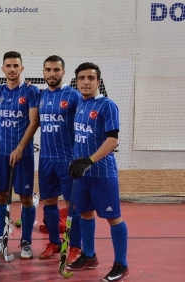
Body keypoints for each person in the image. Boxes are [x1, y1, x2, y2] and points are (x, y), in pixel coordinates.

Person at [66, 63, 129, 281]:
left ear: (98, 82)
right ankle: (89, 255)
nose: (86, 82)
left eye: (90, 78)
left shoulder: (107, 105)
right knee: (85, 214)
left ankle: (121, 264)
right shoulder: (80, 104)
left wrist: (89, 160)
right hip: (82, 175)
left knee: (114, 218)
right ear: (76, 82)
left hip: (103, 174)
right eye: (81, 78)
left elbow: (112, 140)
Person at [0, 51, 40, 259]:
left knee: (25, 197)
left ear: (22, 68)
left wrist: (20, 148)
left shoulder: (31, 91)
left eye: (16, 65)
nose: (12, 69)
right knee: (1, 195)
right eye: (8, 66)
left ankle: (26, 242)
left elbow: (34, 122)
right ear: (2, 69)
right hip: (1, 151)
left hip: (23, 153)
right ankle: (1, 237)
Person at [36, 56, 82, 263]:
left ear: (63, 72)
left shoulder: (73, 95)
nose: (52, 73)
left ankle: (75, 247)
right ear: (43, 72)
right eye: (48, 70)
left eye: (56, 70)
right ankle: (54, 242)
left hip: (67, 159)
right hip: (46, 159)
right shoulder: (41, 95)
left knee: (73, 205)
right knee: (49, 202)